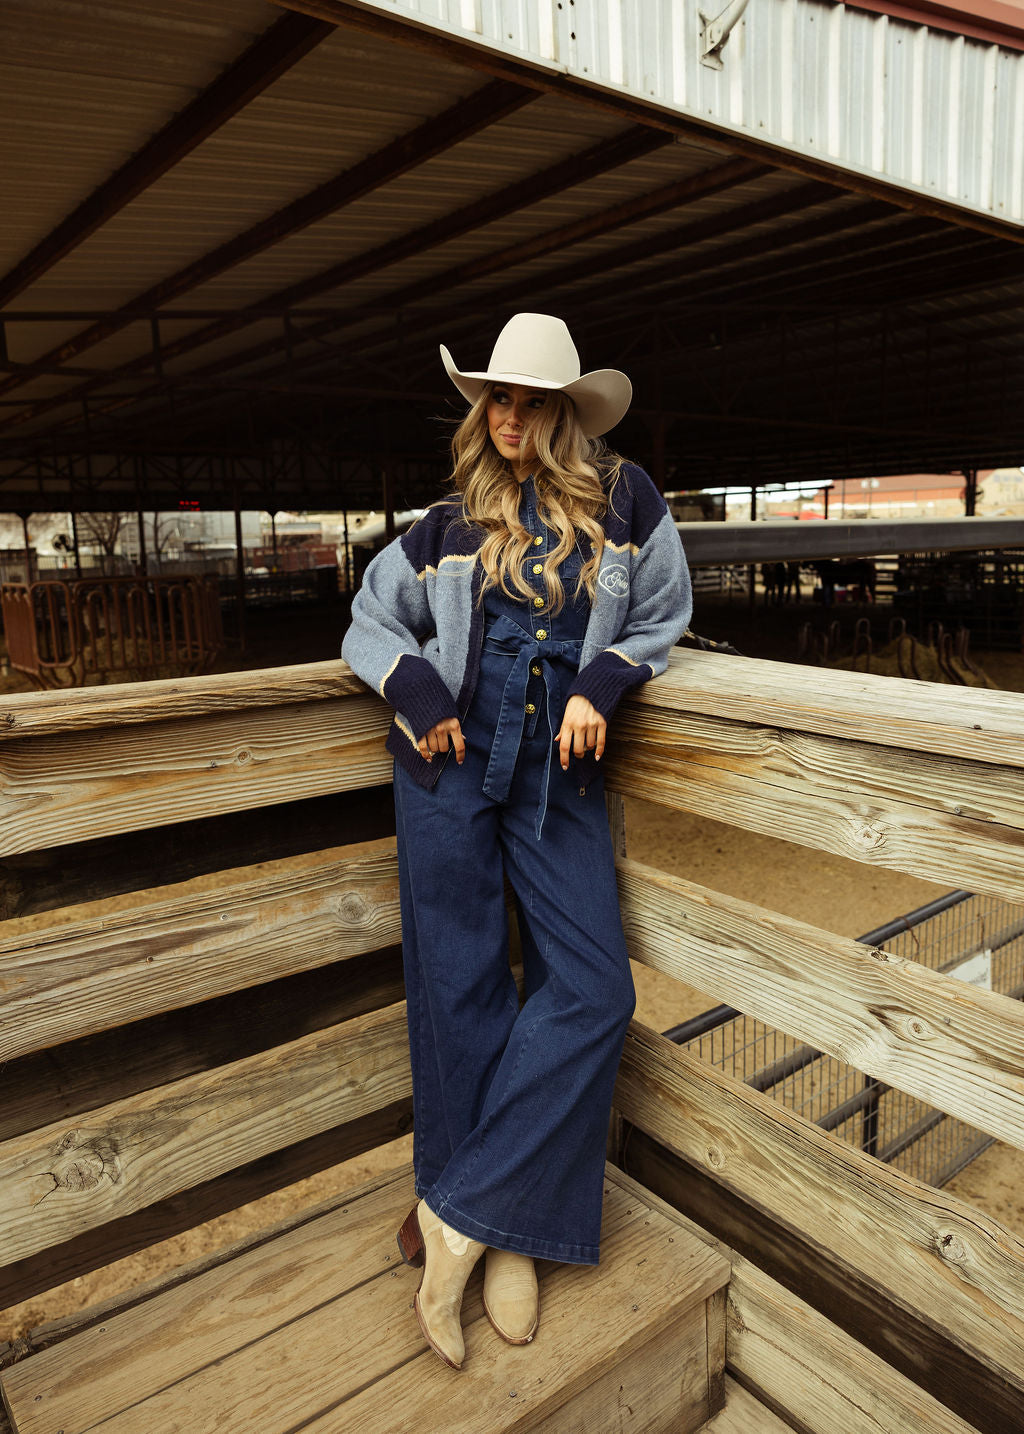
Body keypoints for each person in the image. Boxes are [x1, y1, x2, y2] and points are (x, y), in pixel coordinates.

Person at [342, 312, 692, 1370]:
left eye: (526, 400)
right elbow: (369, 616)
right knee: (461, 991)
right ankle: (506, 1246)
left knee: (593, 989)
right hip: (446, 766)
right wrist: (408, 681)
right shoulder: (446, 523)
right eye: (494, 398)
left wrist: (604, 681)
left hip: (560, 776)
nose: (505, 416)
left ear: (565, 412)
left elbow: (661, 615)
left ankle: (460, 1214)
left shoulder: (628, 502)